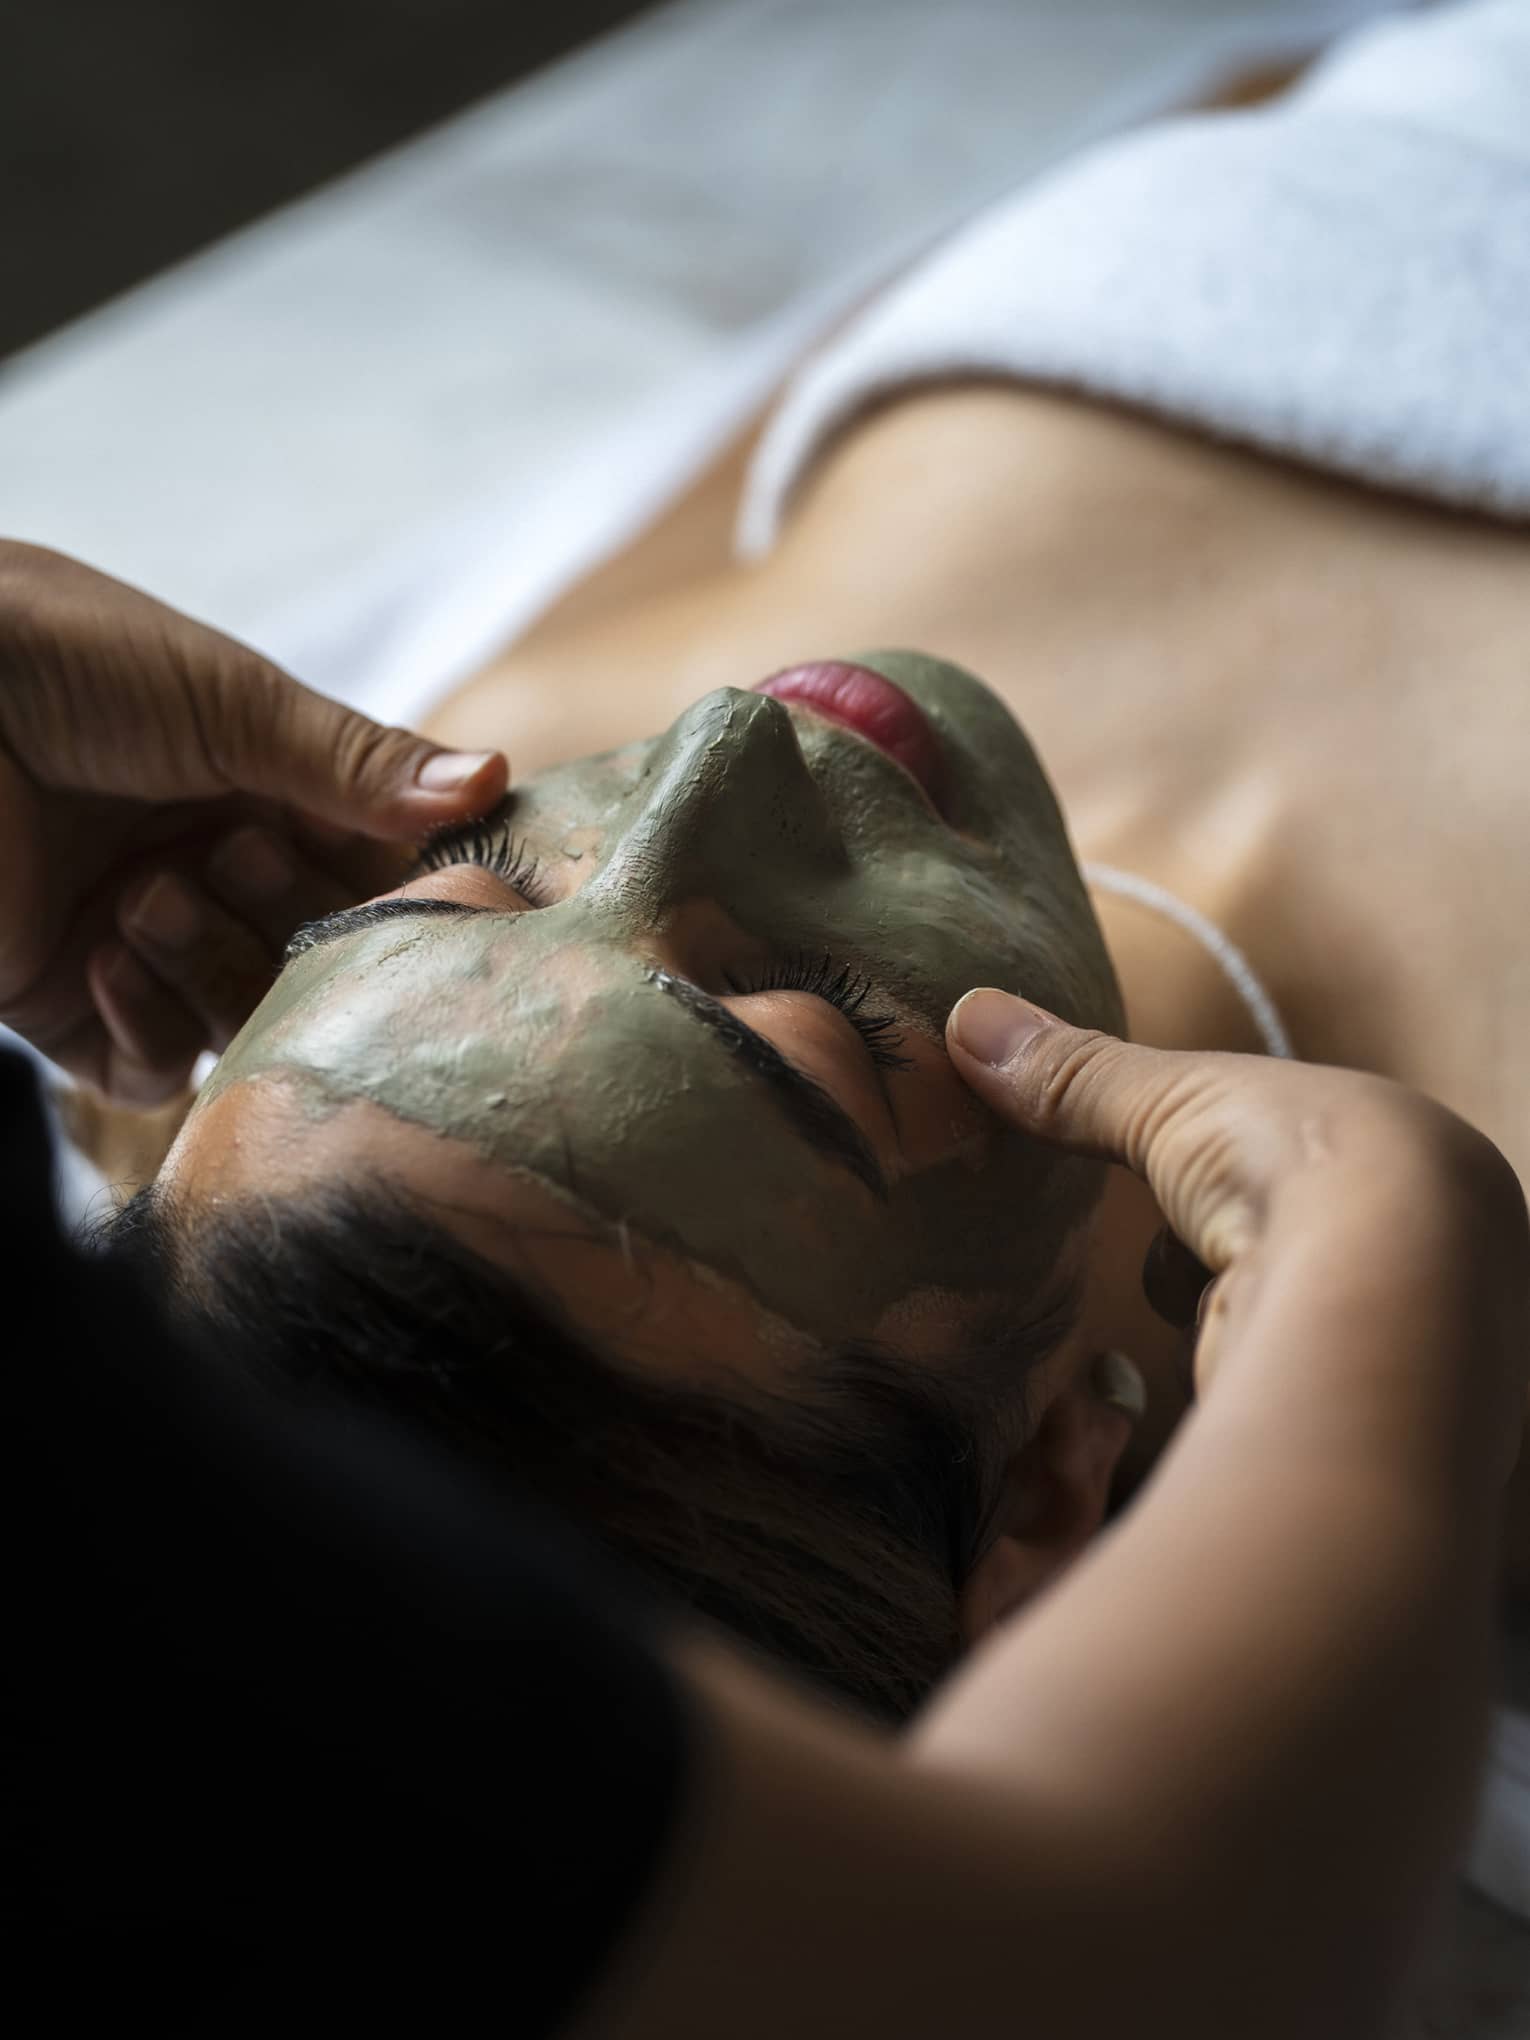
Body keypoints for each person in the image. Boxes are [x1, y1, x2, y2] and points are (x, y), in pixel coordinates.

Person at [2, 534, 1528, 2037]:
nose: (718, 743)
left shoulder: (518, 685)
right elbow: (1124, 1955)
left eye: (457, 898)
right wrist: (1384, 1240)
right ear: (1042, 1502)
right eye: (804, 1028)